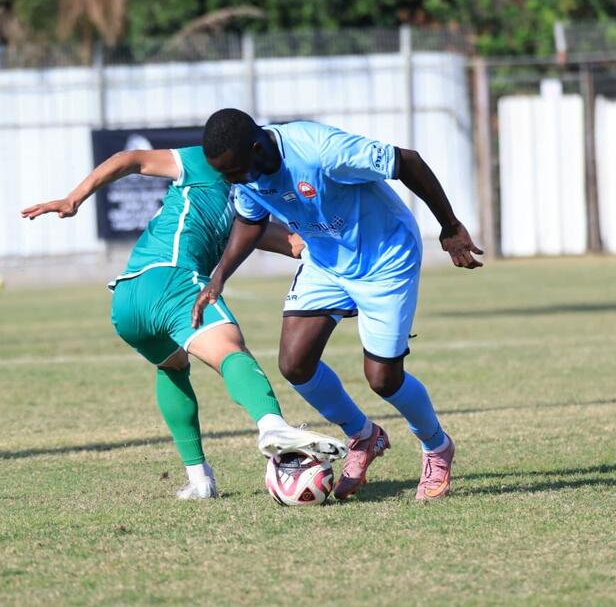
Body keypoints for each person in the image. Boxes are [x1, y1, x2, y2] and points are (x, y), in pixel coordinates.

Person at [22, 144, 346, 500]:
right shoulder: (203, 162)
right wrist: (74, 198)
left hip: (129, 299)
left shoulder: (247, 206)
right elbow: (131, 159)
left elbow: (290, 242)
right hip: (172, 279)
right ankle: (272, 426)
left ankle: (199, 480)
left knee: (172, 366)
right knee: (230, 352)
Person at [192, 109, 483, 501]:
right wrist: (220, 275)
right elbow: (250, 219)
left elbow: (407, 161)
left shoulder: (322, 151)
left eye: (235, 172)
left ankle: (436, 446)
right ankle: (364, 436)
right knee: (294, 363)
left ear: (257, 147)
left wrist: (449, 226)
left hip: (385, 258)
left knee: (383, 379)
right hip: (326, 261)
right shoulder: (246, 171)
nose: (233, 181)